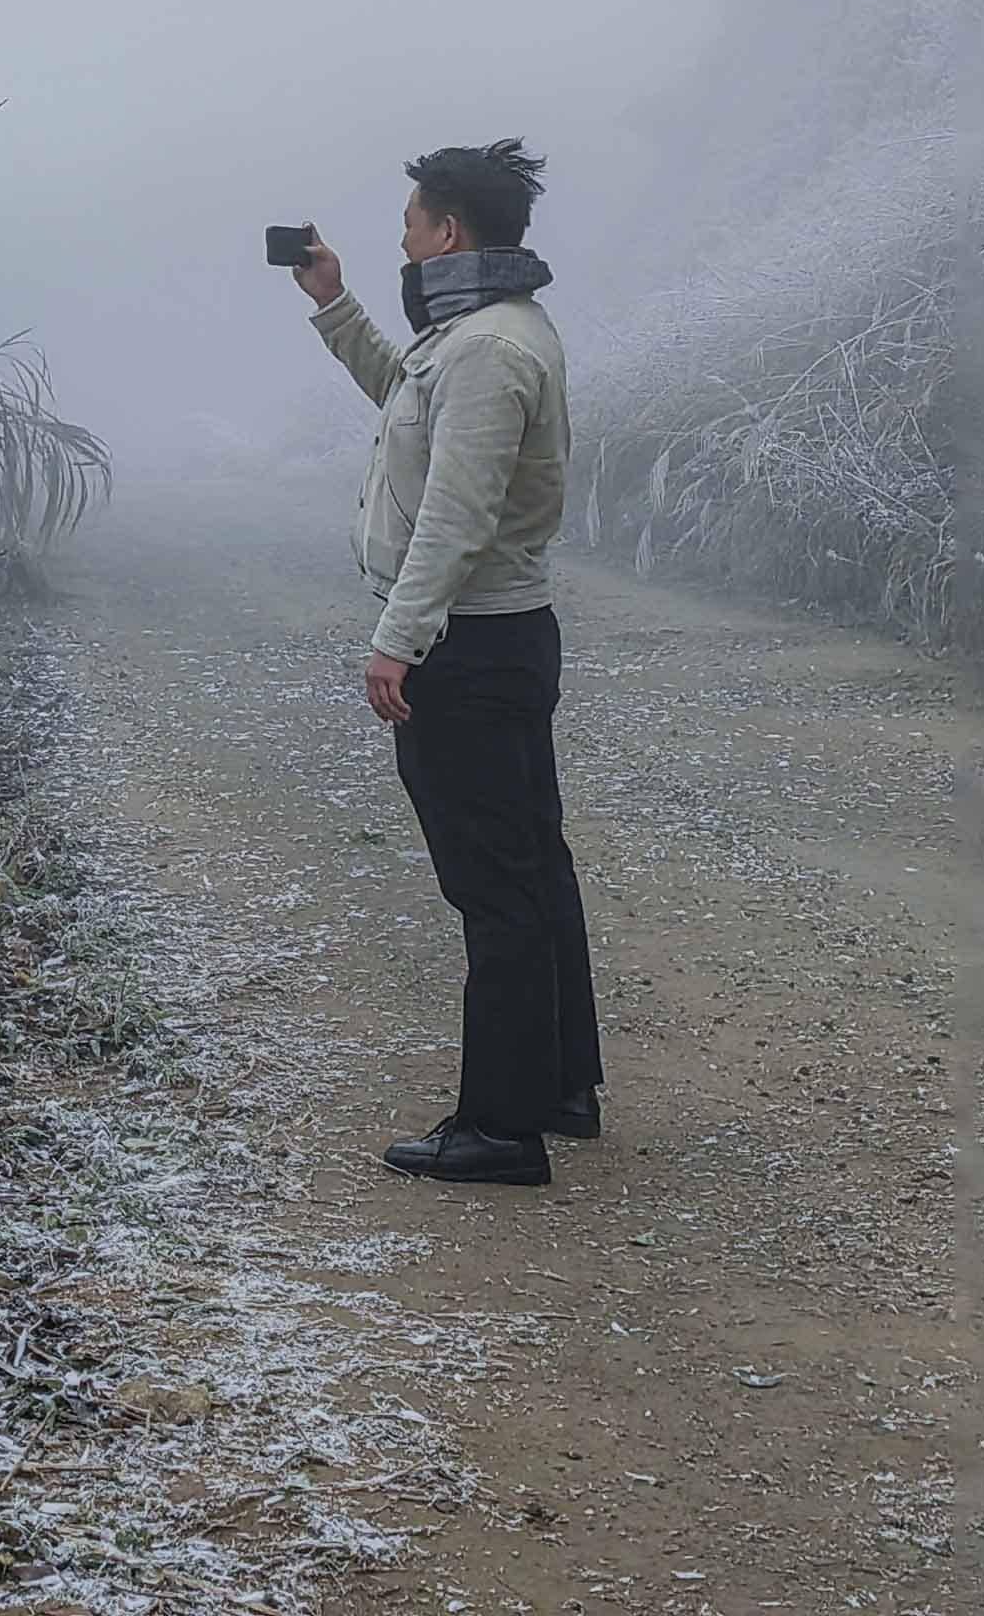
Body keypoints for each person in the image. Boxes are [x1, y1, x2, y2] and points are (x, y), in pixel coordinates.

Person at [289, 139, 598, 1187]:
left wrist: (397, 638)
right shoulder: (480, 335)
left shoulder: (483, 349)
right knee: (531, 864)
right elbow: (410, 409)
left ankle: (500, 1130)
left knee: (494, 884)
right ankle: (558, 1085)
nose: (403, 242)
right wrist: (334, 307)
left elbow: (457, 516)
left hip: (470, 643)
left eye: (413, 226)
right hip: (499, 634)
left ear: (449, 233)